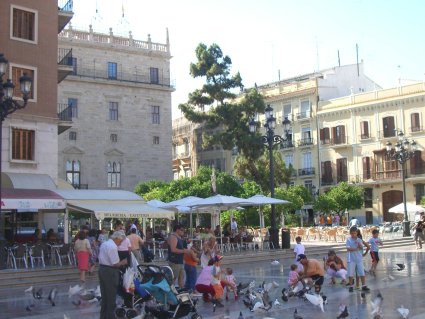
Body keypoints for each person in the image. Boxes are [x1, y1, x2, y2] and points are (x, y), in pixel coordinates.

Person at [98, 231, 128, 319]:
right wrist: (124, 261)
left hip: (102, 269)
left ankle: (103, 316)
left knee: (104, 297)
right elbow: (115, 263)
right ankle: (110, 317)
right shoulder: (112, 247)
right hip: (110, 271)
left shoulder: (104, 244)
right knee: (111, 297)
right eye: (120, 241)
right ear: (116, 238)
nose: (121, 243)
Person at [346, 226, 370, 293]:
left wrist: (359, 244)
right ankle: (351, 286)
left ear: (357, 233)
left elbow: (361, 248)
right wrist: (355, 249)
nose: (353, 235)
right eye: (352, 233)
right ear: (350, 233)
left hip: (359, 259)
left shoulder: (359, 239)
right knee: (351, 273)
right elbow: (348, 248)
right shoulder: (348, 240)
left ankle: (364, 285)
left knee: (361, 272)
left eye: (355, 233)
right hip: (351, 259)